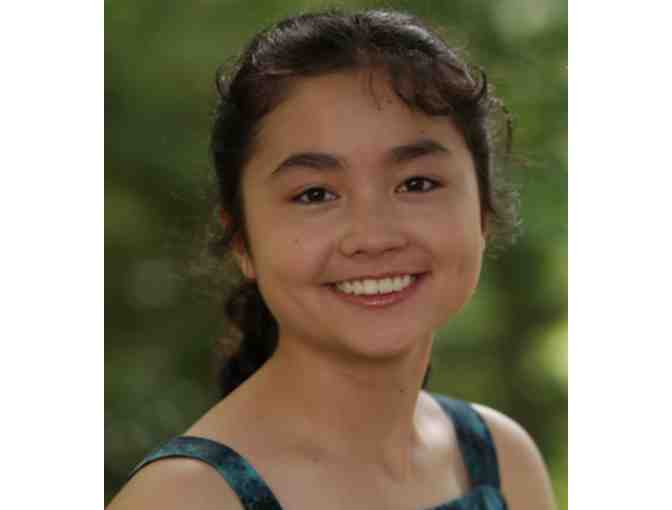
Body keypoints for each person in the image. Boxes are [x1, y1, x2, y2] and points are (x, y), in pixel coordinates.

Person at [107, 8, 556, 510]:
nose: (373, 236)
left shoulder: (502, 459)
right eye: (315, 194)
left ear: (483, 212)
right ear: (241, 241)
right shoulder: (185, 498)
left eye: (417, 183)